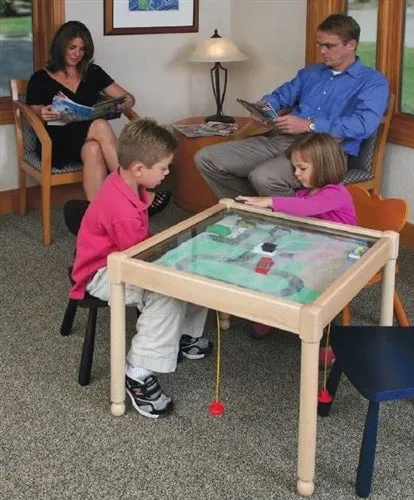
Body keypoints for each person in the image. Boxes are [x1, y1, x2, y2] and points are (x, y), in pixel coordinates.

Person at [70, 118, 212, 419]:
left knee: (192, 265)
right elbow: (138, 259)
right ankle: (137, 371)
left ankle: (185, 335)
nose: (167, 173)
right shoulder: (120, 209)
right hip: (101, 273)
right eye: (163, 168)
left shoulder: (124, 181)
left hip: (122, 256)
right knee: (168, 292)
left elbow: (139, 248)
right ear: (138, 169)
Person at [195, 13, 389, 200]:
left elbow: (363, 125)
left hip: (326, 152)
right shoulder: (310, 73)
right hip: (283, 140)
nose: (322, 51)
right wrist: (264, 107)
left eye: (329, 46)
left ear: (351, 45)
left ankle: (289, 225)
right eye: (320, 44)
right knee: (206, 158)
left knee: (265, 177)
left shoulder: (373, 82)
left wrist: (309, 125)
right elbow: (280, 96)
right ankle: (252, 212)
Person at [26, 21, 170, 215]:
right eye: (72, 47)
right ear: (60, 46)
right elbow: (32, 115)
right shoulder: (41, 78)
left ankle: (100, 215)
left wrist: (127, 102)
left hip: (88, 140)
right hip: (56, 142)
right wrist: (42, 113)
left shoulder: (92, 73)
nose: (77, 53)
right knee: (100, 125)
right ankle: (138, 194)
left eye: (82, 49)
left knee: (93, 148)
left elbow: (127, 97)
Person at [237, 132, 356, 365]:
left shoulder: (335, 192)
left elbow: (308, 208)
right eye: (294, 168)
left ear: (323, 165)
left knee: (319, 288)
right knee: (269, 263)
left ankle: (328, 341)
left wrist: (270, 201)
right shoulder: (305, 191)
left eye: (302, 168)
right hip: (313, 245)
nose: (296, 174)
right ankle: (271, 312)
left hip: (338, 252)